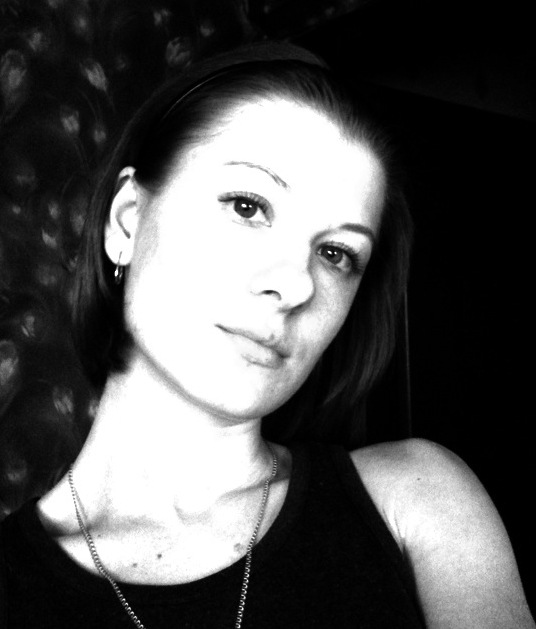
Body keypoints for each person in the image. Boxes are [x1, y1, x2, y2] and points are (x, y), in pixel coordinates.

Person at [0, 41, 533, 629]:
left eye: (336, 253)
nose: (296, 284)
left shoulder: (417, 503)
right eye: (248, 207)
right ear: (127, 222)